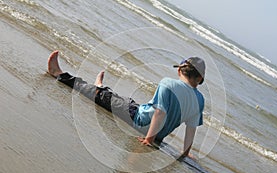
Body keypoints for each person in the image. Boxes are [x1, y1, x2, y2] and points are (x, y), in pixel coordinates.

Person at [48, 50, 205, 159]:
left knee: (100, 95)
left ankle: (59, 74)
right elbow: (191, 129)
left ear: (179, 71)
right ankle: (101, 87)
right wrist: (185, 153)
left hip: (138, 121)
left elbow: (160, 112)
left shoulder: (168, 83)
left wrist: (148, 140)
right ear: (199, 80)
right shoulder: (199, 100)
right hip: (159, 135)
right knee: (127, 101)